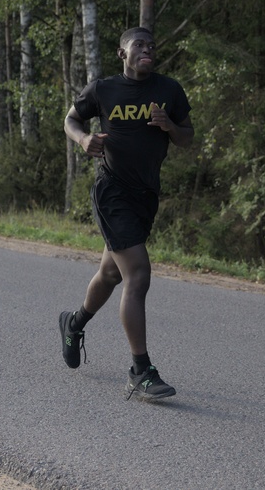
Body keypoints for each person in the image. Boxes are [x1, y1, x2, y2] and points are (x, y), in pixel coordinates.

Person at [59, 27, 194, 400]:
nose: (147, 50)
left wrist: (169, 126)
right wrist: (84, 139)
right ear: (122, 53)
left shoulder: (169, 90)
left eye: (152, 45)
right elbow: (71, 120)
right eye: (139, 45)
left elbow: (188, 137)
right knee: (138, 273)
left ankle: (74, 324)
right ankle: (141, 369)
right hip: (112, 191)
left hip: (145, 196)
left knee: (109, 273)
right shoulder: (103, 90)